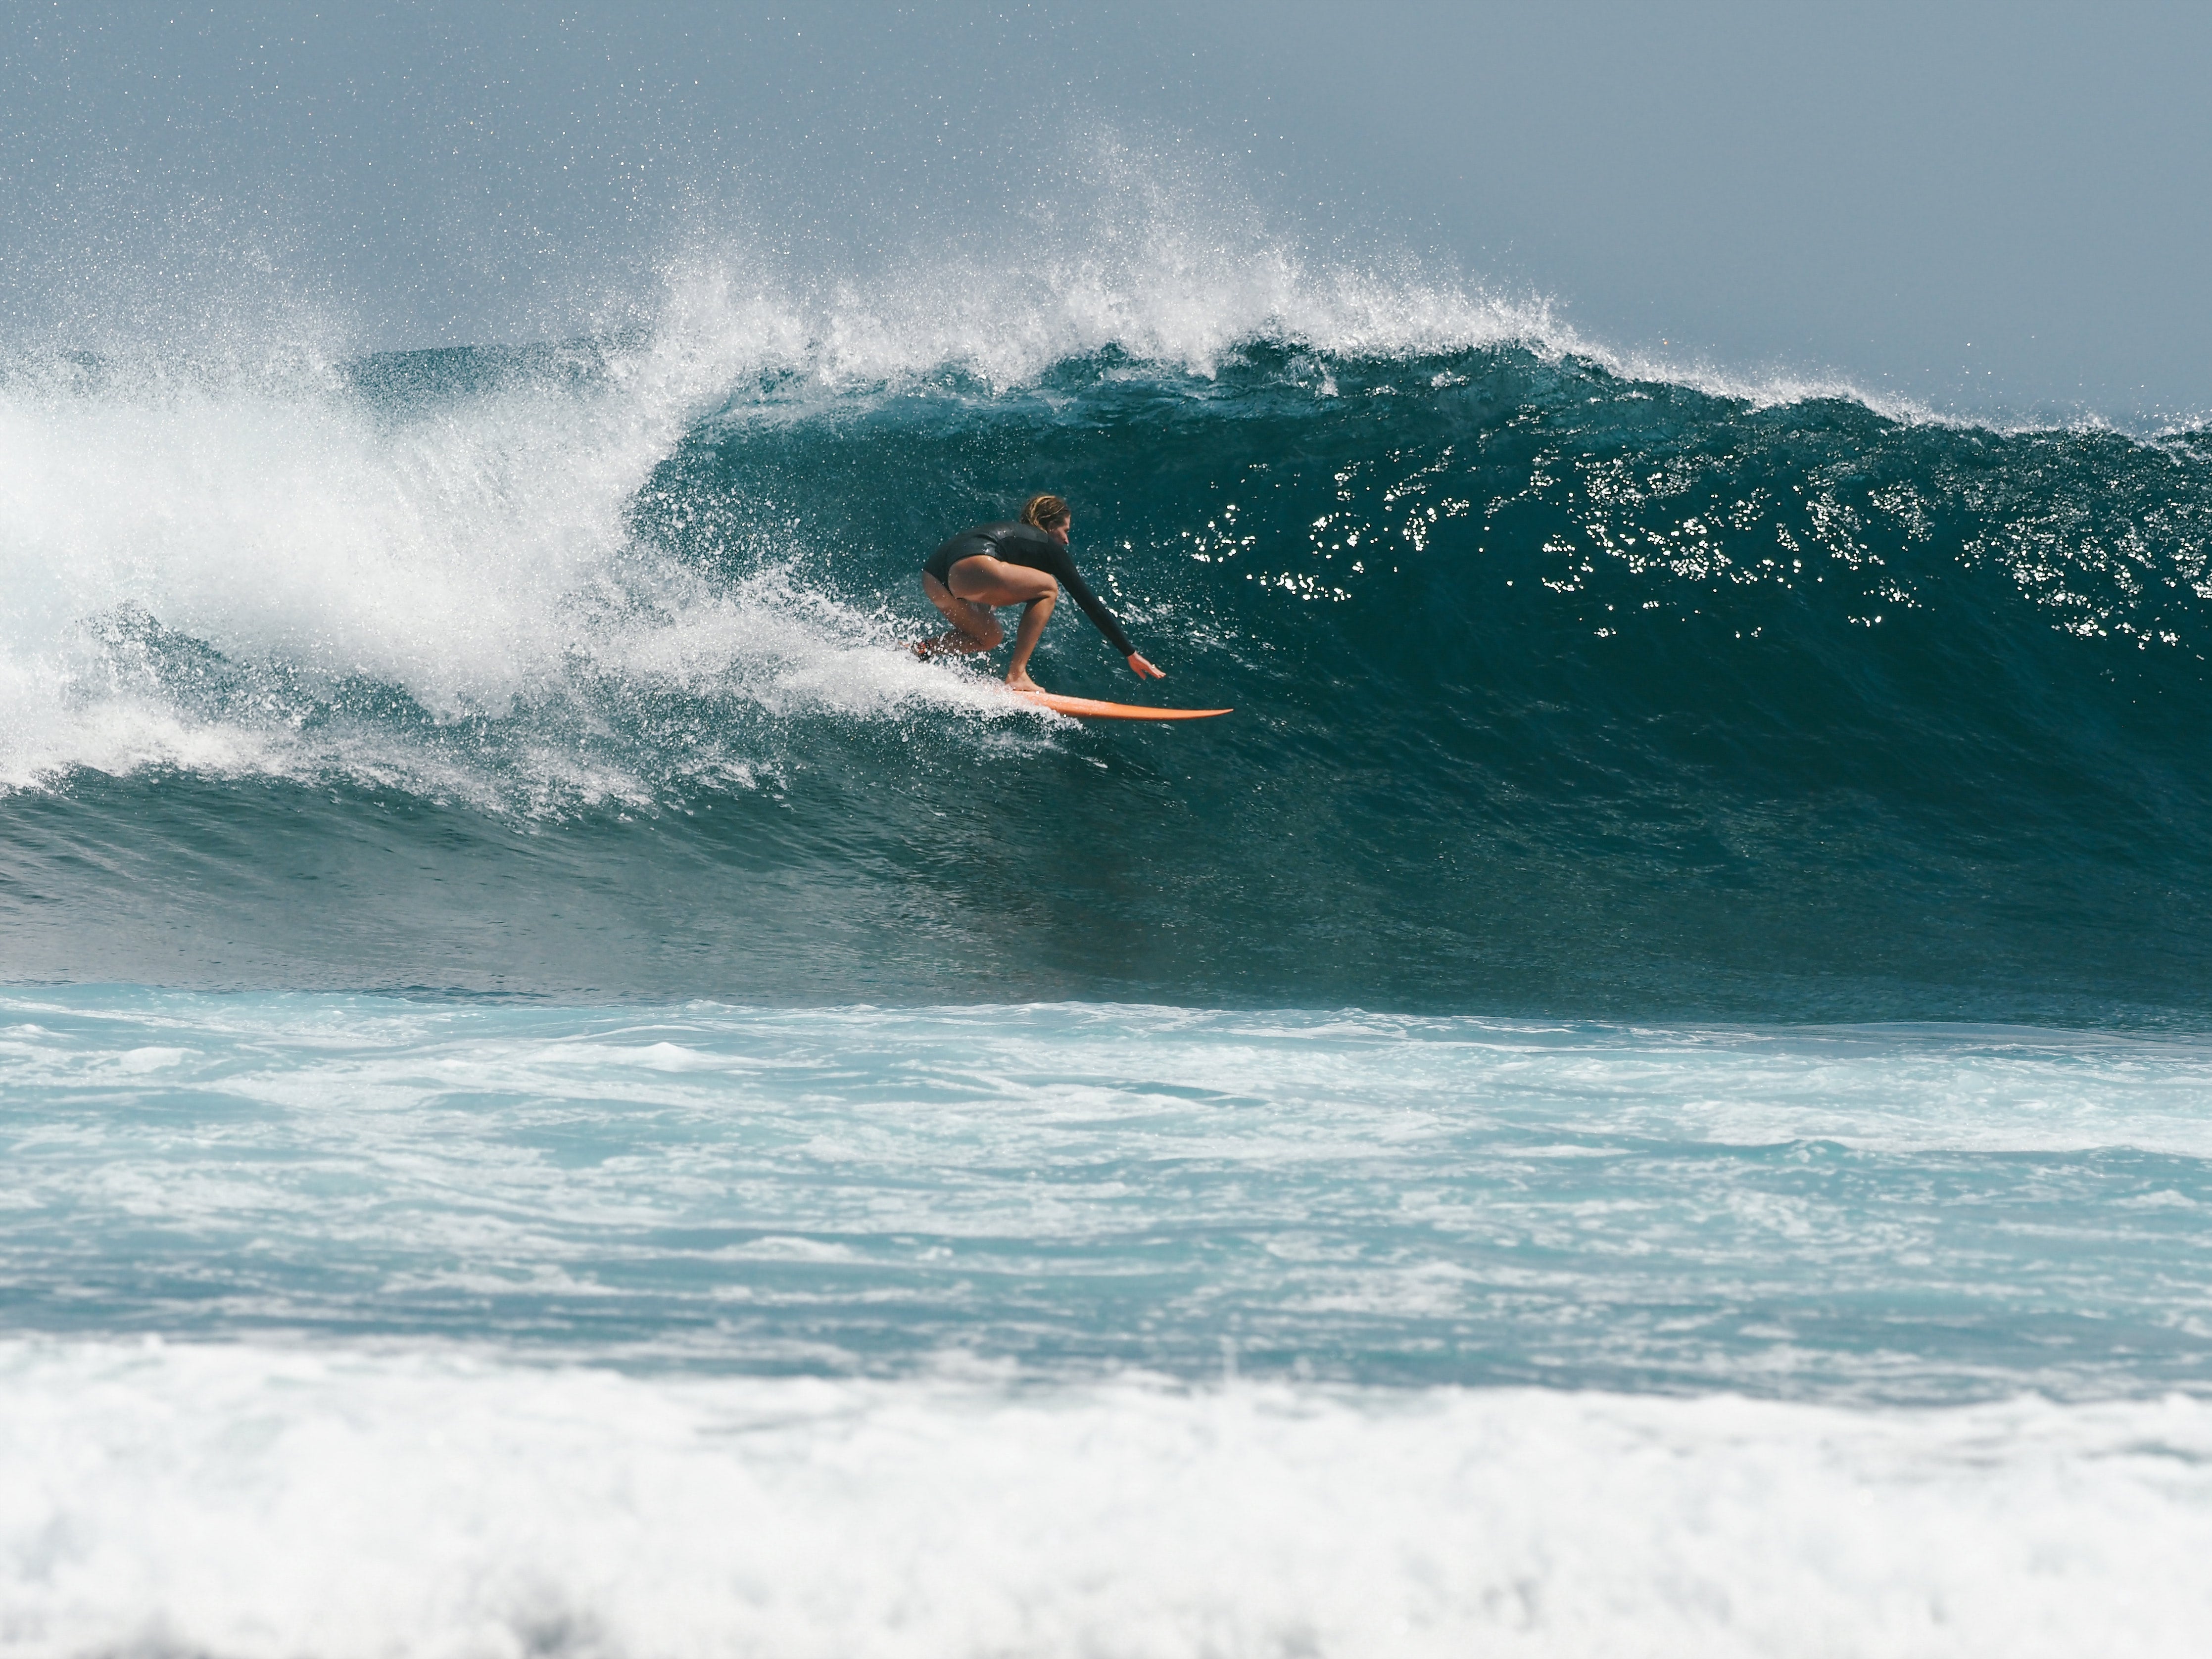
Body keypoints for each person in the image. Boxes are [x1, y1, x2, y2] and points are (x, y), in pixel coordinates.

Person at [914, 494, 1164, 692]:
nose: (1066, 540)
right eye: (1065, 531)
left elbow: (979, 576)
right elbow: (1090, 603)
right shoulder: (1046, 544)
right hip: (975, 566)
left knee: (989, 636)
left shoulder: (1013, 539)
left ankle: (922, 648)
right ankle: (1018, 675)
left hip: (935, 578)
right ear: (1050, 526)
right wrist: (1130, 653)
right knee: (1048, 588)